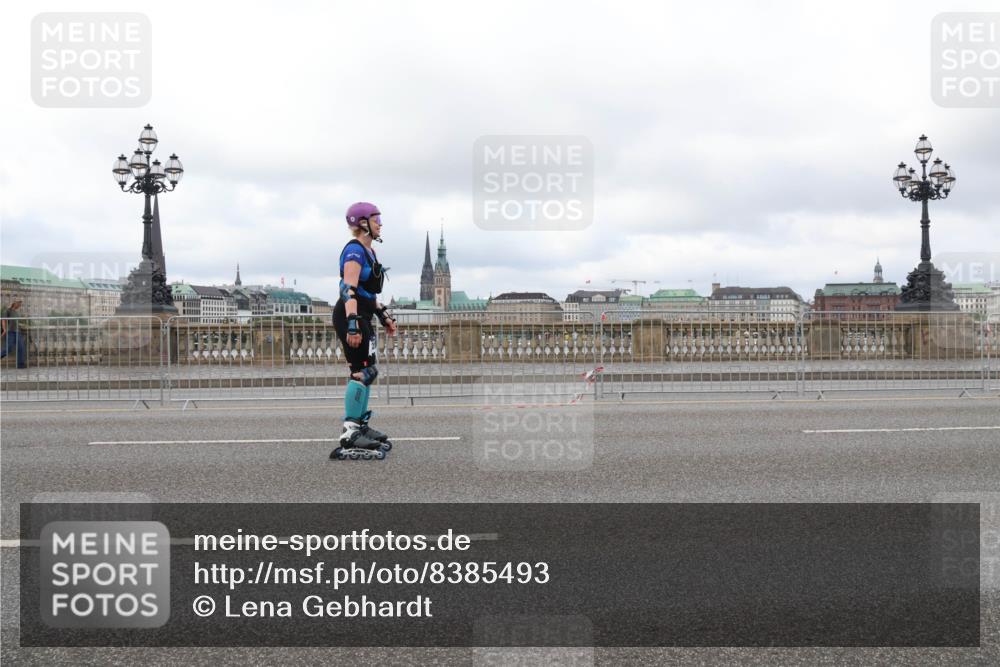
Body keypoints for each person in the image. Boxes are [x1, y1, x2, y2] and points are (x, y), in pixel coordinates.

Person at [330, 202, 398, 460]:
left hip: (363, 314)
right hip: (351, 315)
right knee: (359, 372)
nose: (380, 223)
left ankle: (360, 425)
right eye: (376, 219)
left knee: (369, 371)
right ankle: (350, 432)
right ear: (362, 223)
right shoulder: (355, 252)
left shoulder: (369, 252)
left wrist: (383, 315)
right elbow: (348, 289)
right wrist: (353, 322)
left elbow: (368, 293)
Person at [0, 299, 27, 369]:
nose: (20, 306)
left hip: (17, 331)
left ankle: (20, 365)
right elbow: (3, 320)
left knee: (21, 348)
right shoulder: (8, 310)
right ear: (14, 303)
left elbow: (16, 322)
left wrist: (22, 325)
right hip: (10, 332)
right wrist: (4, 329)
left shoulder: (16, 312)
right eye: (19, 304)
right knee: (8, 348)